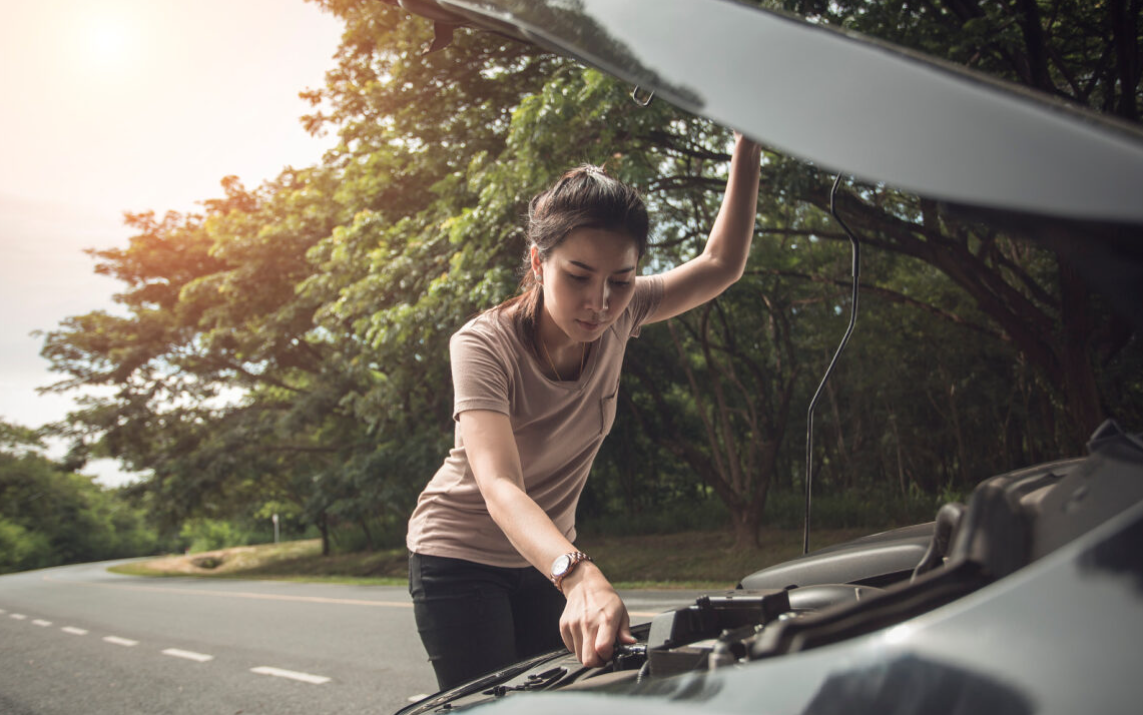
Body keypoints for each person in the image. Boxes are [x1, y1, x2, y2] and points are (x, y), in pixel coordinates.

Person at [407, 133, 762, 690]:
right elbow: (500, 483)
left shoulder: (625, 313)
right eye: (578, 276)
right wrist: (577, 574)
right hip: (460, 560)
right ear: (538, 261)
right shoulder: (483, 345)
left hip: (546, 562)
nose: (600, 302)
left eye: (620, 280)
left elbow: (721, 263)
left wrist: (749, 141)